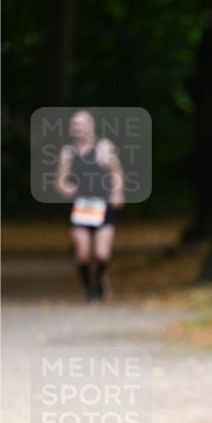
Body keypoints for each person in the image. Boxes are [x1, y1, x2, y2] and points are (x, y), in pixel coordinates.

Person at [56, 110, 125, 300]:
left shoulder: (104, 147)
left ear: (91, 126)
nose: (77, 128)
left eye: (81, 124)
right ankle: (90, 289)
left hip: (102, 206)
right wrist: (66, 188)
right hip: (81, 207)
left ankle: (102, 278)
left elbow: (117, 172)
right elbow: (60, 180)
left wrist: (117, 192)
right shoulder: (68, 152)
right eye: (75, 125)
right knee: (83, 252)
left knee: (102, 254)